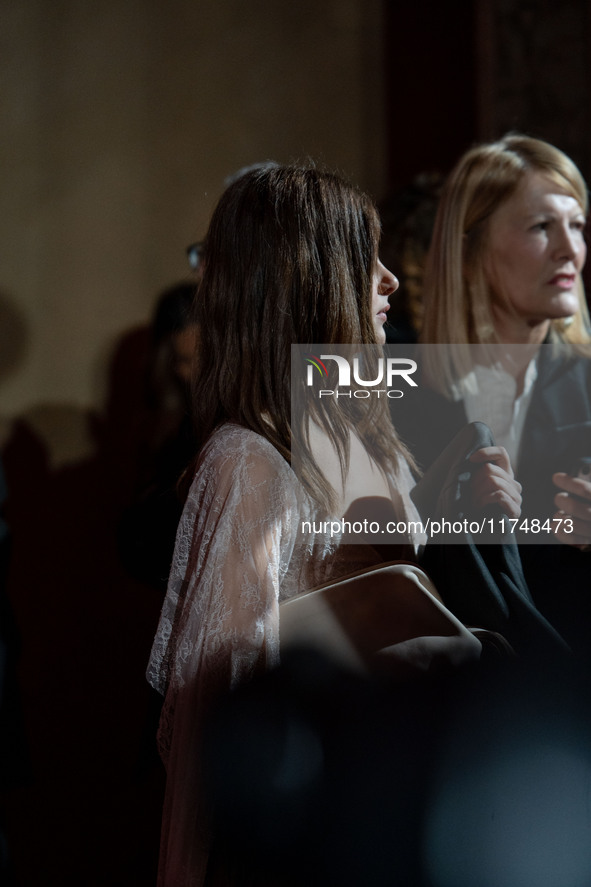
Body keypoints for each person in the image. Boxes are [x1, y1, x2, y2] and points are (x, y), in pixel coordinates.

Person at [146, 165, 521, 886]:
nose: (387, 281)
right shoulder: (246, 461)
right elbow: (208, 712)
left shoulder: (355, 435)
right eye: (365, 256)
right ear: (308, 279)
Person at [396, 133, 591, 663]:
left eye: (577, 226)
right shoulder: (394, 391)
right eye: (541, 226)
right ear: (468, 248)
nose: (570, 248)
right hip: (445, 700)